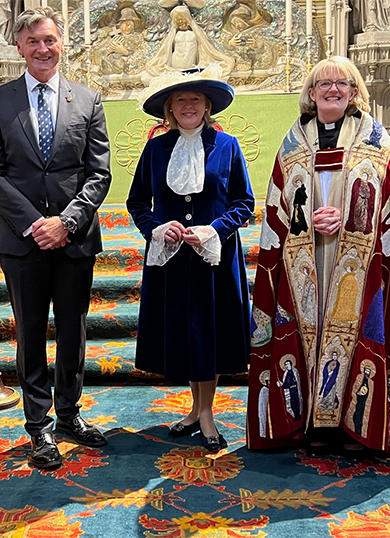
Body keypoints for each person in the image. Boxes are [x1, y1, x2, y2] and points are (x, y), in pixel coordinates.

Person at [246, 56, 390, 463]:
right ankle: (312, 424)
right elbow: (278, 205)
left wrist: (349, 218)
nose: (332, 89)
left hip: (362, 264)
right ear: (311, 95)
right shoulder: (292, 145)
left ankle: (358, 427)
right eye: (323, 84)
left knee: (357, 331)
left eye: (342, 83)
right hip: (307, 258)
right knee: (307, 334)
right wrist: (305, 221)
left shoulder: (377, 142)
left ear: (354, 94)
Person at [0, 7, 112, 469]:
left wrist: (68, 222)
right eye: (33, 41)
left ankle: (70, 414)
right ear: (19, 46)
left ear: (62, 44)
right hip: (23, 241)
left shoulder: (88, 100)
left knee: (73, 331)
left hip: (74, 240)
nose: (42, 48)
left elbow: (98, 173)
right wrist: (37, 223)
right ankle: (39, 427)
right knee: (31, 332)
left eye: (50, 40)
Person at [127, 66, 255, 453]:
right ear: (169, 107)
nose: (188, 105)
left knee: (210, 334)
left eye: (195, 99)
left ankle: (206, 413)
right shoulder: (156, 148)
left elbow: (244, 203)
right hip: (172, 261)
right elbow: (136, 202)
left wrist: (214, 229)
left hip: (214, 259)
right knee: (186, 332)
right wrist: (156, 228)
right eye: (180, 99)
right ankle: (194, 409)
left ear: (207, 105)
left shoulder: (228, 145)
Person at [145, 6, 234, 78]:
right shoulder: (174, 34)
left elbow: (204, 44)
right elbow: (166, 47)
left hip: (190, 61)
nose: (181, 22)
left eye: (183, 19)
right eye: (178, 21)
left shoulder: (195, 32)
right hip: (177, 60)